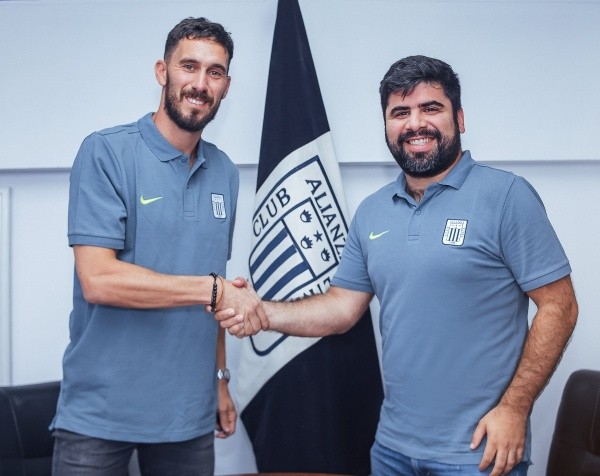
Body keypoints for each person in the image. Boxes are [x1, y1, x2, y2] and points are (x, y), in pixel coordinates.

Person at [215, 55, 578, 475]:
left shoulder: (507, 197)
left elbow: (560, 306)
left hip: (477, 454)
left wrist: (515, 407)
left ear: (459, 118)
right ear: (386, 125)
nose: (415, 124)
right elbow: (341, 307)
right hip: (392, 450)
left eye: (431, 108)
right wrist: (263, 313)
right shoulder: (372, 212)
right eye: (400, 112)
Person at [51, 17, 267, 475]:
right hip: (98, 415)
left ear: (226, 86)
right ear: (162, 71)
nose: (200, 84)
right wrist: (213, 289)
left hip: (187, 416)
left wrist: (220, 381)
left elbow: (216, 290)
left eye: (215, 72)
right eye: (189, 66)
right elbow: (98, 280)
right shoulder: (106, 152)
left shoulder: (225, 172)